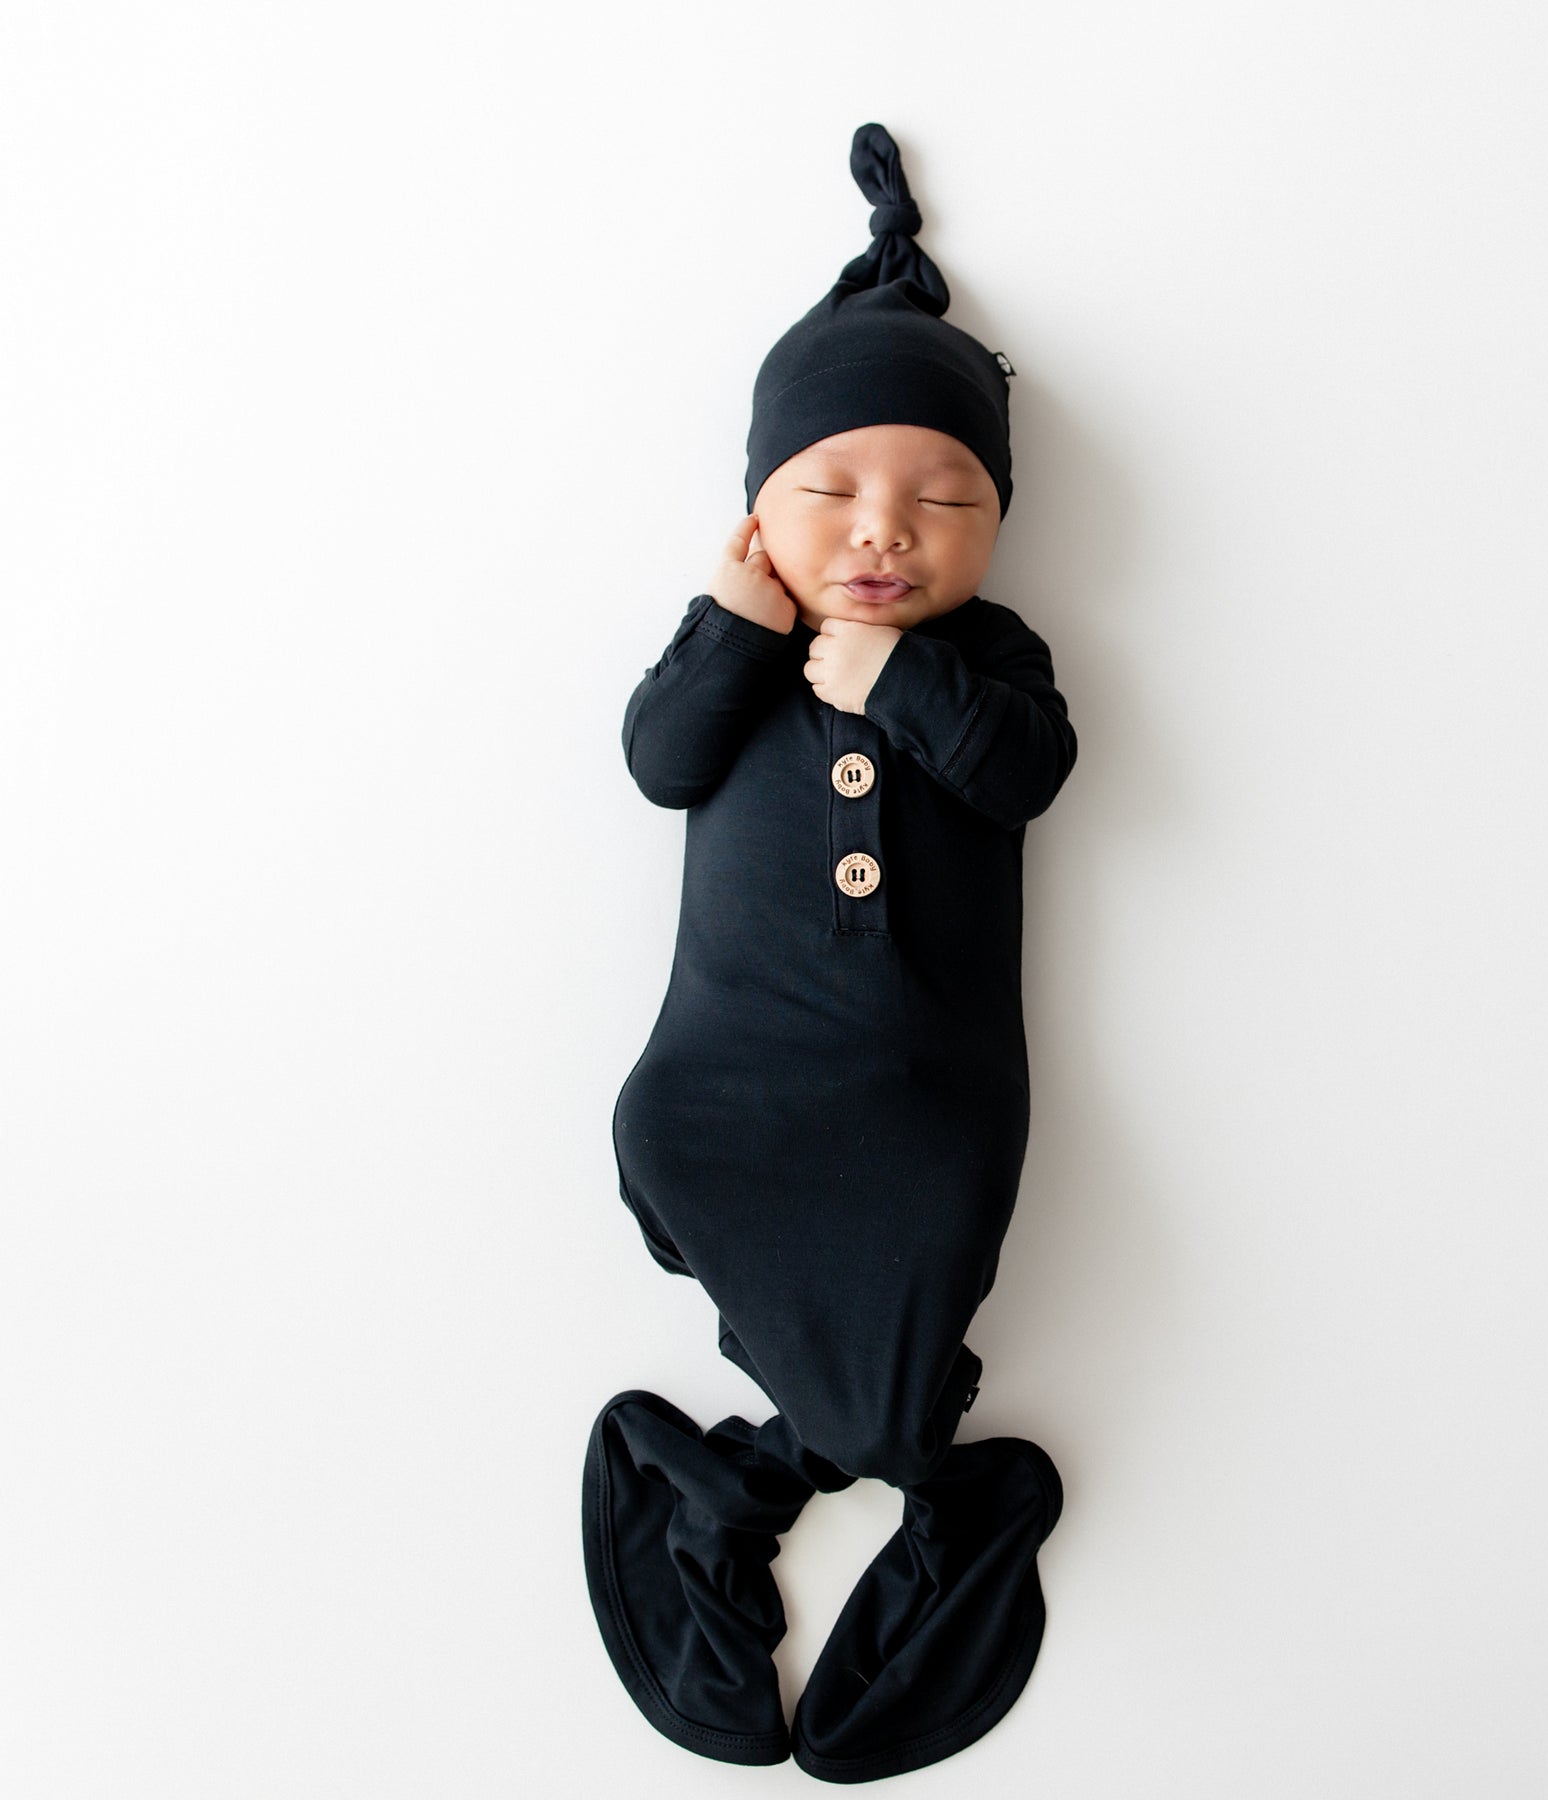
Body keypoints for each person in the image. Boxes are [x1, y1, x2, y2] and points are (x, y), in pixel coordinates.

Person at [583, 121, 1078, 1784]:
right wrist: (742, 622)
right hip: (729, 1077)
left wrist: (901, 681)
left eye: (945, 499)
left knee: (907, 1301)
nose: (885, 531)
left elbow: (1028, 775)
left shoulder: (990, 660)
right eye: (829, 494)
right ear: (754, 516)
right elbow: (658, 762)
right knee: (660, 1145)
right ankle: (834, 1456)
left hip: (923, 1089)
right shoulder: (734, 644)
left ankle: (794, 1469)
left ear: (994, 524)